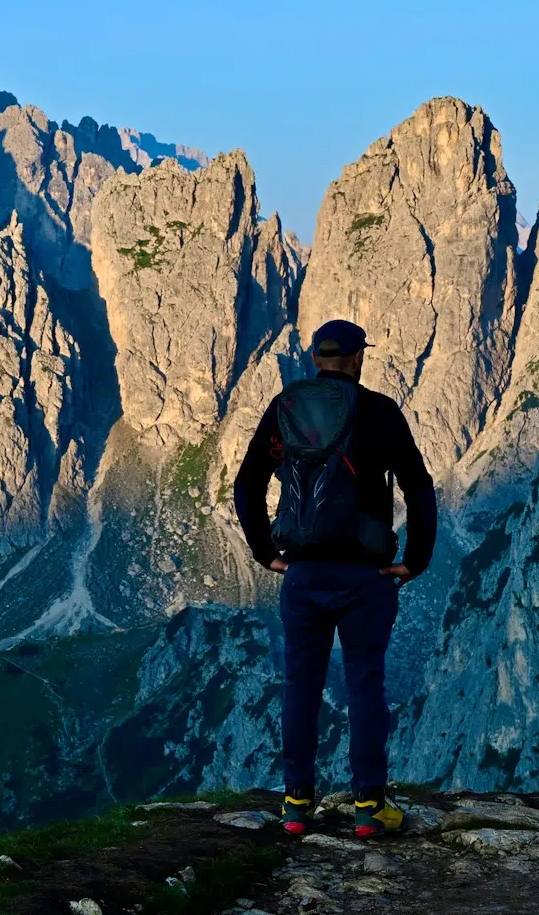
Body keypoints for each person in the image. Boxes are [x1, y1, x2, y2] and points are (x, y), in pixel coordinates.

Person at [233, 319, 437, 838]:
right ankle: (370, 807)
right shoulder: (380, 411)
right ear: (357, 358)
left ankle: (297, 804)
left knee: (301, 684)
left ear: (316, 359)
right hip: (366, 576)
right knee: (365, 682)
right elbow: (418, 485)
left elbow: (247, 483)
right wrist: (415, 559)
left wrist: (265, 553)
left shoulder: (287, 409)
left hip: (303, 573)